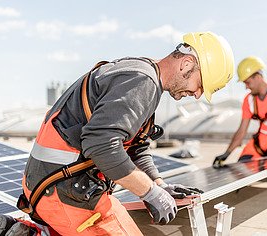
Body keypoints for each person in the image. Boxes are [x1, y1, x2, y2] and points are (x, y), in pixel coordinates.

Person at [12, 31, 234, 235]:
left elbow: (136, 147)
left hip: (57, 185)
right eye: (201, 85)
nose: (197, 95)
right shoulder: (142, 81)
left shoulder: (143, 76)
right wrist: (149, 192)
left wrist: (159, 184)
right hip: (64, 192)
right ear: (186, 65)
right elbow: (101, 145)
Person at [213, 56, 267, 179]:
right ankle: (265, 166)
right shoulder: (248, 100)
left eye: (247, 82)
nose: (246, 87)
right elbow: (242, 130)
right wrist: (226, 153)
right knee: (242, 166)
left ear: (258, 76)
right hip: (261, 143)